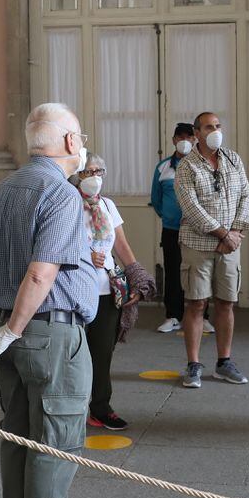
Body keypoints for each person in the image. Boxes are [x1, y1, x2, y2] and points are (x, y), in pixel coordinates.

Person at [0, 102, 99, 498]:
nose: (82, 146)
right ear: (68, 142)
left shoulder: (3, 189)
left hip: (10, 330)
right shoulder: (60, 194)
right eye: (80, 137)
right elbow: (42, 273)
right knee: (56, 439)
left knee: (19, 436)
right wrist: (13, 327)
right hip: (48, 333)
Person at [175, 111, 249, 389]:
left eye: (218, 125)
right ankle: (194, 365)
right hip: (198, 244)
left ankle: (224, 362)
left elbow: (246, 195)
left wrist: (236, 232)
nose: (216, 130)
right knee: (196, 303)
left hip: (230, 245)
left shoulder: (233, 159)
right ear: (197, 133)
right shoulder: (187, 166)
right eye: (209, 127)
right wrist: (222, 233)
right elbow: (191, 207)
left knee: (226, 302)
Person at [75, 152, 149, 431]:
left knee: (103, 350)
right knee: (73, 351)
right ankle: (71, 405)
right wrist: (84, 253)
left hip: (106, 289)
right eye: (86, 171)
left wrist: (137, 276)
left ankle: (101, 406)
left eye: (98, 171)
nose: (93, 177)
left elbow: (121, 246)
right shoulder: (68, 205)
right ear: (76, 175)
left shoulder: (107, 205)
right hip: (76, 289)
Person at [149, 122, 210, 335]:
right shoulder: (163, 167)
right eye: (180, 137)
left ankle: (204, 317)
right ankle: (173, 316)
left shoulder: (204, 165)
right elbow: (156, 200)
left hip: (198, 230)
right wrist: (169, 216)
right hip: (171, 229)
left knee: (200, 272)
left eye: (189, 137)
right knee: (172, 271)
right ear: (174, 140)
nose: (185, 141)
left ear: (195, 139)